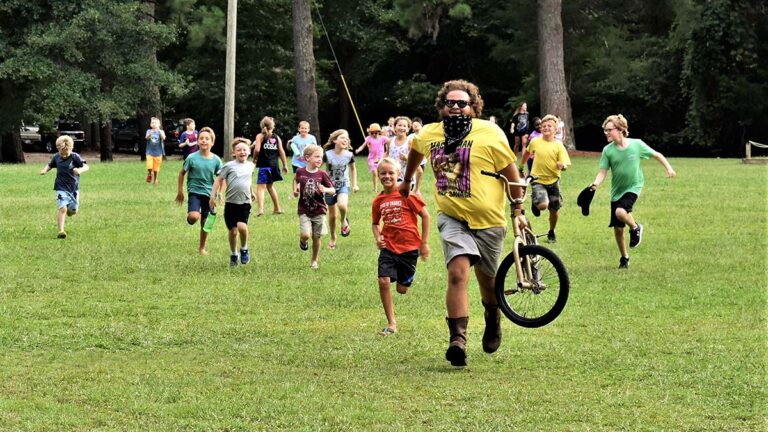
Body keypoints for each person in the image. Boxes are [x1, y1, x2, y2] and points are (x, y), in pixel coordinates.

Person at [400, 79, 526, 367]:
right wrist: (407, 181)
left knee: (488, 281)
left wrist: (518, 207)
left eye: (462, 103)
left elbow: (511, 172)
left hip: (489, 220)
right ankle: (458, 339)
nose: (456, 107)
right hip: (452, 216)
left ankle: (492, 316)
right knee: (458, 273)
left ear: (473, 107)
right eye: (450, 103)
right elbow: (416, 151)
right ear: (442, 107)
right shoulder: (430, 133)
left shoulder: (491, 133)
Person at [589, 114, 676, 269]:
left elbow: (657, 155)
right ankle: (624, 258)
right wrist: (595, 184)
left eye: (609, 130)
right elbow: (602, 172)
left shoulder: (637, 145)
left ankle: (636, 227)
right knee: (618, 229)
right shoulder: (607, 151)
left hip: (634, 186)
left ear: (621, 129)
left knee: (620, 212)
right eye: (605, 130)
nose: (606, 133)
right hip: (617, 191)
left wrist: (669, 168)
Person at [372, 157, 430, 336]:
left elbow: (426, 216)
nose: (387, 176)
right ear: (378, 175)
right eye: (383, 173)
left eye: (391, 173)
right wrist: (378, 238)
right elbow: (375, 223)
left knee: (402, 290)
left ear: (399, 174)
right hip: (389, 246)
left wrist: (424, 243)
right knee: (383, 281)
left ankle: (403, 278)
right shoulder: (378, 200)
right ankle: (391, 323)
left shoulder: (408, 194)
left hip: (409, 248)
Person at [520, 114, 571, 243]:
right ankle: (537, 202)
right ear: (540, 129)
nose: (546, 128)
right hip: (537, 179)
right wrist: (521, 167)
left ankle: (552, 231)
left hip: (554, 181)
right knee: (543, 205)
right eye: (543, 126)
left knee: (554, 209)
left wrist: (562, 166)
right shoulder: (535, 141)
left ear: (555, 130)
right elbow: (527, 153)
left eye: (549, 126)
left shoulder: (558, 145)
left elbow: (565, 164)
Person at [175, 127, 223, 255]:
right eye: (201, 138)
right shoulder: (192, 158)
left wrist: (220, 193)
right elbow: (181, 173)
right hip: (194, 192)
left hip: (209, 194)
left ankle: (202, 247)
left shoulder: (216, 160)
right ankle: (190, 217)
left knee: (205, 223)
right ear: (197, 141)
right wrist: (180, 191)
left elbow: (221, 177)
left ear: (212, 142)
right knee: (194, 217)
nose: (204, 141)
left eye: (207, 139)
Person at [210, 138, 255, 267]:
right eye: (239, 150)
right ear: (234, 152)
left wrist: (251, 192)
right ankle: (234, 254)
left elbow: (248, 180)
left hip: (245, 202)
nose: (242, 152)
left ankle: (244, 249)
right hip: (231, 203)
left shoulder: (251, 165)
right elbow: (219, 180)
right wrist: (213, 196)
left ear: (249, 151)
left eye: (244, 149)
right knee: (233, 232)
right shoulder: (229, 166)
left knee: (242, 227)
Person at [293, 144, 336, 269]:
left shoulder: (322, 174)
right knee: (306, 234)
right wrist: (295, 189)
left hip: (319, 210)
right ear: (307, 158)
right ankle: (303, 241)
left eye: (321, 157)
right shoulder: (300, 172)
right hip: (304, 209)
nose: (319, 159)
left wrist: (325, 189)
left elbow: (333, 190)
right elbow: (296, 180)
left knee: (316, 237)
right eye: (316, 156)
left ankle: (314, 261)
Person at [39, 135, 89, 239]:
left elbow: (86, 166)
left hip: (73, 188)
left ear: (71, 148)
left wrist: (79, 170)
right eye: (62, 152)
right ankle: (61, 231)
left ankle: (71, 210)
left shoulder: (75, 156)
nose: (64, 155)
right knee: (63, 209)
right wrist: (45, 170)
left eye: (66, 153)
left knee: (73, 211)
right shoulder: (56, 157)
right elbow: (50, 165)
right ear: (58, 149)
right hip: (61, 187)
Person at [323, 129, 359, 249]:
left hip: (344, 184)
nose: (345, 140)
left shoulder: (349, 155)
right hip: (329, 187)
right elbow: (319, 167)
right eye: (342, 137)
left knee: (342, 206)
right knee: (332, 217)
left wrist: (354, 184)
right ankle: (333, 238)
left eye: (347, 138)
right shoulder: (327, 154)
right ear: (334, 140)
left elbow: (353, 169)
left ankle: (344, 220)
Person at [252, 116, 288, 216]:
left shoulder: (260, 136)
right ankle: (277, 208)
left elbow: (257, 150)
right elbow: (281, 152)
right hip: (274, 166)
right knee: (271, 187)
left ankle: (260, 210)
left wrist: (254, 158)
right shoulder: (277, 137)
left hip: (264, 166)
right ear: (273, 126)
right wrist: (285, 165)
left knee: (260, 188)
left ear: (261, 125)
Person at [354, 123, 388, 193]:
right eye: (372, 133)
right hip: (372, 159)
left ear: (379, 132)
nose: (374, 134)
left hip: (380, 158)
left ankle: (385, 187)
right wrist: (358, 150)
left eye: (376, 132)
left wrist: (388, 151)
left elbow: (390, 143)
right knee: (375, 173)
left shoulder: (383, 139)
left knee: (382, 173)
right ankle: (375, 189)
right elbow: (362, 146)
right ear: (370, 133)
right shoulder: (369, 139)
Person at [287, 121, 317, 199]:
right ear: (299, 129)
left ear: (308, 129)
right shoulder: (295, 138)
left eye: (305, 128)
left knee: (306, 178)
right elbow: (290, 147)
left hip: (307, 162)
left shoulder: (312, 138)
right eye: (302, 128)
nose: (304, 130)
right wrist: (289, 143)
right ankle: (295, 192)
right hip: (297, 162)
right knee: (296, 177)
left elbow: (315, 148)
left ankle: (304, 191)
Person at [388, 116, 412, 181]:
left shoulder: (410, 142)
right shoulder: (390, 141)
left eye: (404, 126)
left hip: (404, 175)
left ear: (408, 129)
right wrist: (380, 160)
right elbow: (387, 154)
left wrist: (407, 158)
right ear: (394, 127)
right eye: (399, 125)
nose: (402, 128)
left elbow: (414, 160)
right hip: (391, 174)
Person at [408, 117, 427, 194]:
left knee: (420, 173)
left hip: (423, 159)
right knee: (413, 173)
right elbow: (408, 146)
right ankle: (412, 187)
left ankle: (417, 188)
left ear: (421, 126)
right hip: (413, 158)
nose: (416, 126)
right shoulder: (410, 136)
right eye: (414, 125)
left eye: (417, 125)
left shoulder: (425, 135)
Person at [144, 117, 166, 185]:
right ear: (150, 125)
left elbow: (163, 138)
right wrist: (150, 133)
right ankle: (150, 174)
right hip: (149, 152)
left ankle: (155, 179)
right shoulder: (148, 131)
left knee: (156, 169)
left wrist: (159, 131)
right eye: (152, 123)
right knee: (149, 167)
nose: (154, 124)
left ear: (159, 124)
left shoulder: (161, 131)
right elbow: (146, 138)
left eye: (155, 123)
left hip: (158, 153)